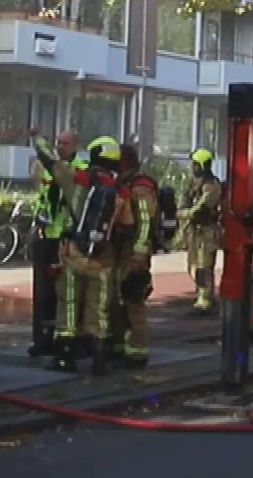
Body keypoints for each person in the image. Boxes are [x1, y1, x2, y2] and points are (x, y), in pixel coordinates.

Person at [50, 136, 128, 376]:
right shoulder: (121, 191)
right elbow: (127, 228)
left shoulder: (78, 179)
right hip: (104, 259)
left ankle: (65, 359)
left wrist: (38, 139)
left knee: (69, 306)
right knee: (99, 312)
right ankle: (99, 361)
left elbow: (51, 162)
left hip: (74, 253)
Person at [28, 131, 82, 358]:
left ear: (76, 145)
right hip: (44, 236)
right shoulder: (46, 167)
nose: (61, 146)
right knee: (42, 294)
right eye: (58, 142)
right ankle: (41, 340)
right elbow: (41, 195)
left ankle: (66, 341)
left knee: (65, 293)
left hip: (65, 239)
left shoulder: (79, 168)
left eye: (65, 143)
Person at [106, 141, 158, 369]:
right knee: (115, 298)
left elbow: (145, 222)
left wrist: (139, 251)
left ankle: (138, 352)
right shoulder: (121, 182)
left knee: (133, 298)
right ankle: (118, 344)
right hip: (118, 249)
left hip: (133, 251)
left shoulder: (141, 185)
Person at [180, 148, 225, 314]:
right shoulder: (194, 183)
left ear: (203, 165)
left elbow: (199, 209)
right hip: (195, 231)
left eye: (195, 164)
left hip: (207, 231)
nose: (193, 167)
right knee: (193, 265)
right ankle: (202, 296)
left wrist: (183, 214)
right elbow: (185, 202)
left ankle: (205, 300)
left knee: (204, 266)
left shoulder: (211, 185)